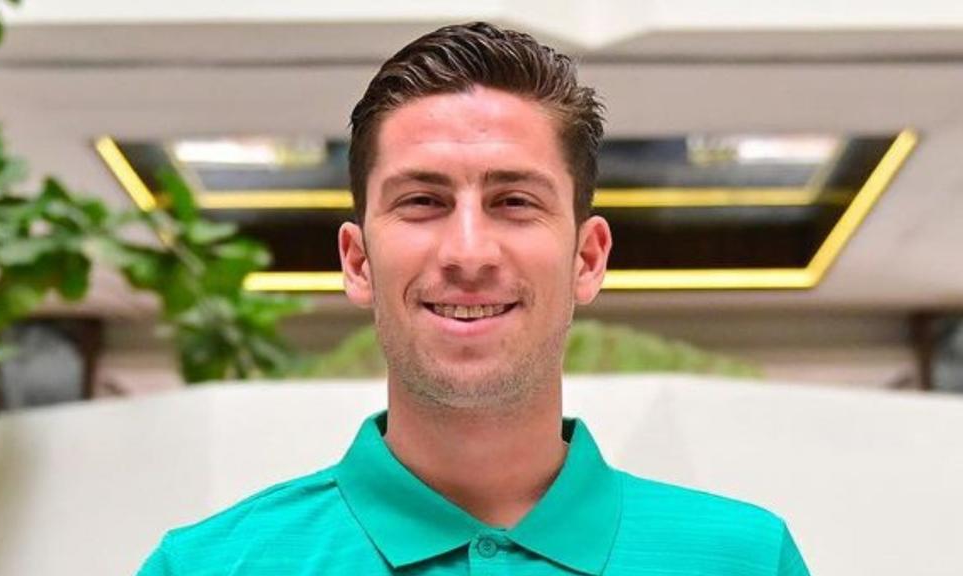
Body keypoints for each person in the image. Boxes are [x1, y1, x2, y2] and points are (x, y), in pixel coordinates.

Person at [137, 22, 810, 576]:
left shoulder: (747, 560)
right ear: (357, 261)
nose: (468, 252)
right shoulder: (203, 567)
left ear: (587, 258)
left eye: (514, 201)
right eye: (422, 201)